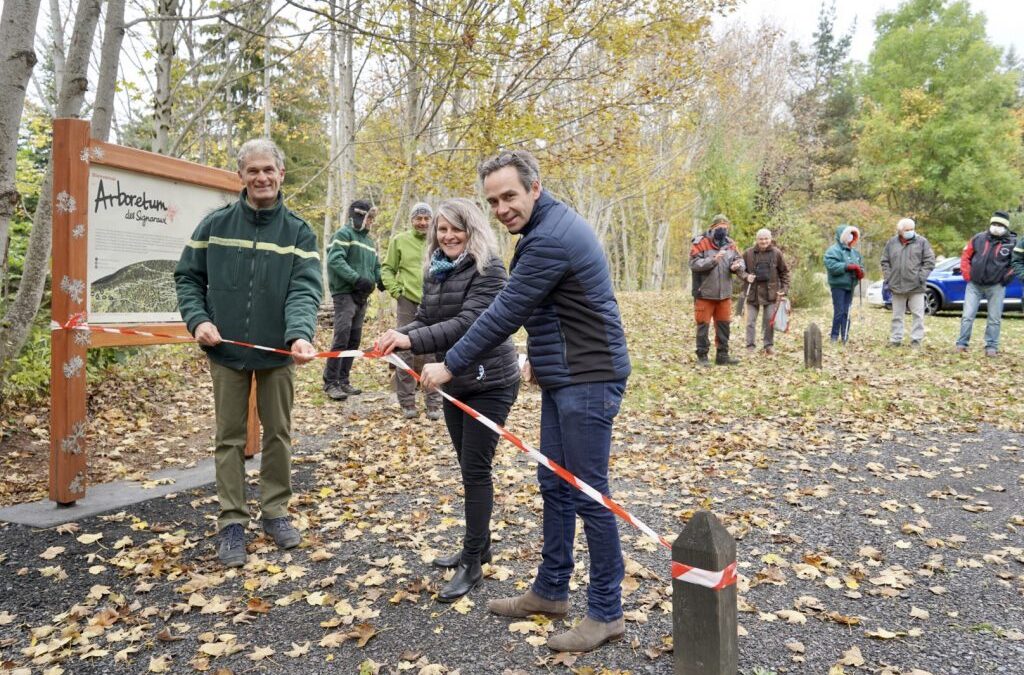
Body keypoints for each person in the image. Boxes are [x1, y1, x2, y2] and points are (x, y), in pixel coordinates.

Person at [418, 150, 631, 653]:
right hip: (567, 372)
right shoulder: (540, 230)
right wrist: (539, 354)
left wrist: (450, 363)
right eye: (493, 200)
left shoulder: (550, 237)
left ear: (535, 187)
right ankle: (552, 591)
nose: (501, 208)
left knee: (588, 493)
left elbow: (505, 311)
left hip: (590, 375)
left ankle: (606, 612)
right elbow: (551, 305)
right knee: (553, 483)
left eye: (509, 195)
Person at [175, 138, 322, 568]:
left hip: (279, 353)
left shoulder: (298, 231)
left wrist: (299, 335)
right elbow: (187, 278)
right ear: (241, 176)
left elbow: (305, 289)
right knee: (230, 438)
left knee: (278, 433)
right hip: (225, 351)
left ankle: (275, 511)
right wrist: (198, 320)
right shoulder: (215, 225)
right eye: (252, 170)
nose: (261, 178)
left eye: (268, 170)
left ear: (280, 175)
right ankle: (232, 520)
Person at [375, 198, 520, 603]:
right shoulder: (436, 268)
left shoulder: (489, 268)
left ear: (472, 229)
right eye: (442, 229)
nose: (449, 235)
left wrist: (412, 339)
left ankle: (472, 563)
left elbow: (469, 321)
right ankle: (480, 544)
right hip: (453, 378)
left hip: (490, 380)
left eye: (457, 228)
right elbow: (426, 318)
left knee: (475, 470)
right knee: (465, 466)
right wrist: (397, 335)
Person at [381, 202, 442, 420]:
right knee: (404, 351)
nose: (423, 222)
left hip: (434, 300)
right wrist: (397, 291)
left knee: (432, 349)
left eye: (426, 218)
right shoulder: (399, 241)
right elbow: (387, 269)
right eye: (418, 218)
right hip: (407, 300)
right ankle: (407, 402)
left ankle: (434, 402)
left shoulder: (438, 240)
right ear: (411, 220)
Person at [322, 200, 384, 400]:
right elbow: (335, 260)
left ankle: (343, 380)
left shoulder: (369, 242)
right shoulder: (343, 234)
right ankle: (330, 383)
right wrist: (356, 279)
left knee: (354, 339)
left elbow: (376, 266)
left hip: (361, 296)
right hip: (345, 293)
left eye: (373, 218)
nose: (371, 222)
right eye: (369, 218)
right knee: (342, 336)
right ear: (359, 217)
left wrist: (380, 280)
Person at [956, 211, 1017, 356]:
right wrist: (967, 274)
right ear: (990, 224)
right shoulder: (978, 238)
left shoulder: (1012, 243)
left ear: (1006, 227)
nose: (997, 227)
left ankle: (991, 347)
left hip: (996, 285)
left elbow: (1016, 263)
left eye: (1000, 225)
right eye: (994, 224)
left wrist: (1005, 279)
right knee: (967, 315)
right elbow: (966, 256)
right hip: (974, 284)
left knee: (994, 318)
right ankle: (961, 343)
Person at [689, 214, 746, 365]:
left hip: (724, 294)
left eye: (725, 227)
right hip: (704, 293)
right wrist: (713, 260)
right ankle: (702, 356)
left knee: (724, 326)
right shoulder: (700, 242)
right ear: (712, 228)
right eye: (719, 228)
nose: (723, 230)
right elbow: (694, 264)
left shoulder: (730, 244)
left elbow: (739, 259)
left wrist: (738, 266)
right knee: (703, 326)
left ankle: (722, 356)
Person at [880, 218, 935, 348]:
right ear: (900, 231)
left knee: (918, 315)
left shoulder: (922, 242)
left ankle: (916, 341)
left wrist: (920, 277)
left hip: (916, 287)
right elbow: (885, 261)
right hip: (897, 286)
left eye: (912, 229)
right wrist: (889, 277)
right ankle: (895, 340)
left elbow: (929, 261)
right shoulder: (892, 243)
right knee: (897, 315)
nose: (910, 232)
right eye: (907, 230)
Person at [741, 228, 790, 355]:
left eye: (766, 238)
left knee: (769, 320)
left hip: (771, 293)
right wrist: (746, 276)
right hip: (753, 292)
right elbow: (739, 269)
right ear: (756, 240)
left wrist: (784, 289)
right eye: (761, 239)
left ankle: (768, 345)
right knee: (750, 321)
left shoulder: (777, 253)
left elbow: (784, 272)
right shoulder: (748, 253)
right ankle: (750, 346)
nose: (764, 241)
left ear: (770, 239)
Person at [823, 224, 864, 342]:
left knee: (847, 311)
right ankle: (834, 336)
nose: (850, 237)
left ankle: (845, 336)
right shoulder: (833, 250)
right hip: (838, 286)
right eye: (848, 235)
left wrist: (860, 272)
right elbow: (831, 266)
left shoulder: (855, 253)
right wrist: (847, 267)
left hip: (850, 286)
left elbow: (861, 266)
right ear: (842, 236)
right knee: (839, 311)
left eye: (852, 235)